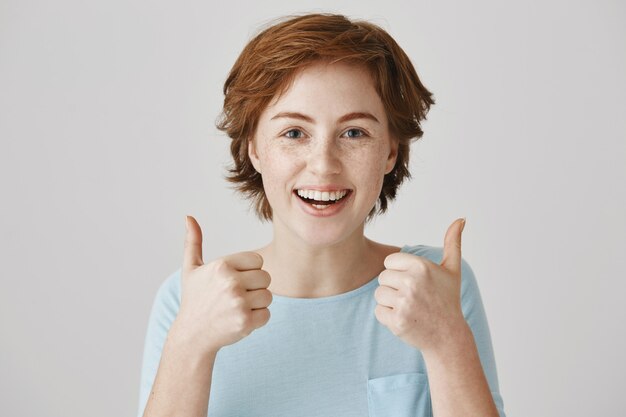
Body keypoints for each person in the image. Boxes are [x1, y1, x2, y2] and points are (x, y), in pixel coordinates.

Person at [137, 13, 506, 417]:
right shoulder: (189, 299)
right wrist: (189, 341)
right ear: (254, 149)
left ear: (390, 151)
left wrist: (448, 340)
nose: (323, 165)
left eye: (354, 133)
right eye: (294, 133)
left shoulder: (437, 287)